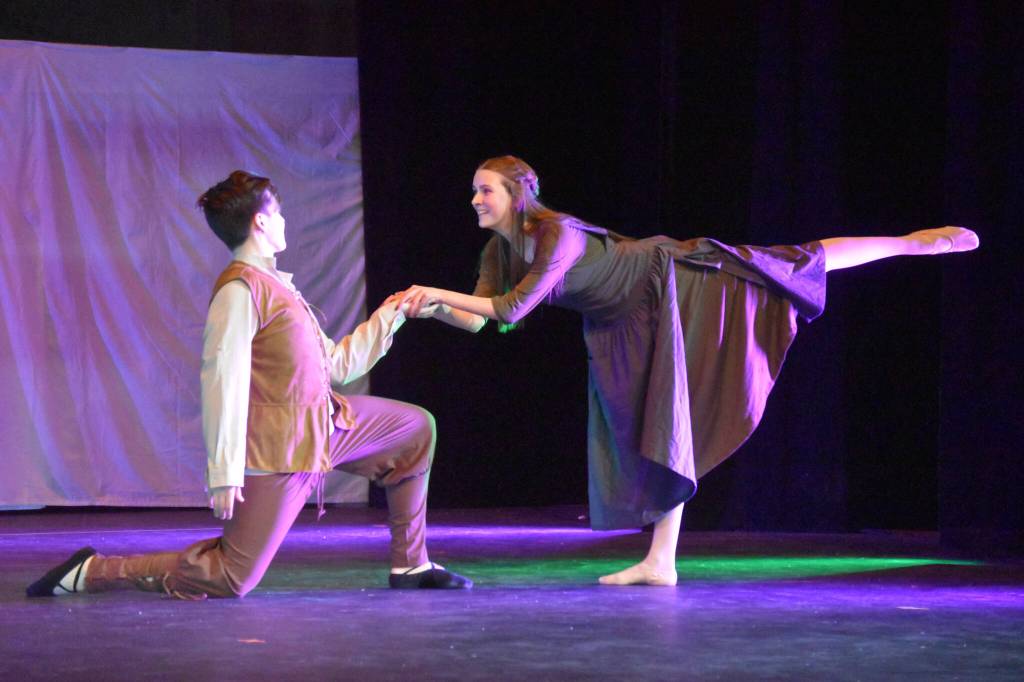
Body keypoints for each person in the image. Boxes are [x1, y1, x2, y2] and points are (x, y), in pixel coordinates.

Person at [398, 155, 979, 587]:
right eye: (474, 190)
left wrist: (436, 291)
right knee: (658, 431)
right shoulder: (498, 253)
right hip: (620, 326)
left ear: (517, 193)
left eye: (485, 190)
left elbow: (512, 308)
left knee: (790, 262)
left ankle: (911, 245)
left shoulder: (557, 233)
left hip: (675, 284)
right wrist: (431, 309)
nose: (475, 198)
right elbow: (481, 322)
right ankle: (661, 561)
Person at [27, 170, 471, 599]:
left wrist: (392, 313)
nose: (283, 221)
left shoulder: (279, 287)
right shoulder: (239, 291)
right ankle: (93, 572)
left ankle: (410, 564)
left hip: (324, 427)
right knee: (230, 577)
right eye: (277, 213)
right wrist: (223, 472)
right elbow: (222, 381)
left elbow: (336, 366)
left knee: (415, 430)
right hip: (277, 453)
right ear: (260, 221)